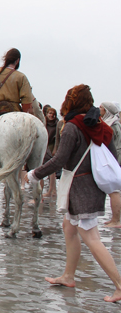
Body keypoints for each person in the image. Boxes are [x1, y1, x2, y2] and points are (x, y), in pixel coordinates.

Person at [27, 85, 121, 303]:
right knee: (69, 228)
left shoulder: (71, 126)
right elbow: (114, 157)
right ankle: (68, 276)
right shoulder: (99, 125)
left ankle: (119, 285)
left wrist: (34, 174)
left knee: (91, 237)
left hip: (80, 188)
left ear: (70, 101)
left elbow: (59, 160)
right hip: (92, 186)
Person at [100, 102, 121, 227]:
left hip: (115, 160)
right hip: (115, 159)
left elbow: (114, 147)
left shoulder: (113, 125)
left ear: (107, 111)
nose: (99, 109)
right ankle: (115, 218)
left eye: (101, 108)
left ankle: (116, 220)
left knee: (114, 191)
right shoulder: (112, 123)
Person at [41, 107, 60, 199]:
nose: (51, 115)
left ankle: (53, 190)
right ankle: (42, 191)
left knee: (52, 170)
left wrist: (55, 149)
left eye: (53, 113)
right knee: (41, 168)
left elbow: (57, 137)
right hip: (44, 145)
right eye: (49, 113)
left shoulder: (57, 123)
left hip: (52, 146)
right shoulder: (44, 123)